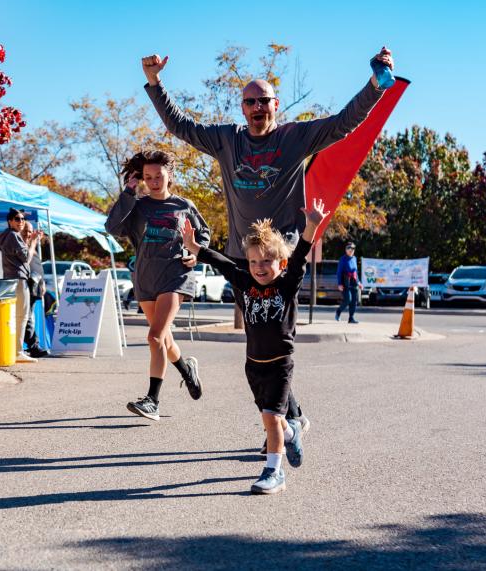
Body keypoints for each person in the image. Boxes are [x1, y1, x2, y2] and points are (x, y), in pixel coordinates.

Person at [141, 46, 396, 431]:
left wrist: (376, 85)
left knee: (276, 341)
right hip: (244, 259)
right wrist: (155, 82)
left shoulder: (295, 138)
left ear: (276, 105)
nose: (258, 107)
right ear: (242, 108)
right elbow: (180, 125)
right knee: (260, 342)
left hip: (280, 261)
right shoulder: (227, 140)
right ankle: (290, 415)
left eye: (264, 101)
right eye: (250, 102)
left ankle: (280, 425)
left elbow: (345, 122)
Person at [181, 198, 329, 494]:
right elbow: (221, 261)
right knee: (271, 418)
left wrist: (312, 225)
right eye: (253, 262)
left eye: (266, 261)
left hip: (280, 363)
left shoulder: (287, 284)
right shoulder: (244, 282)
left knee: (271, 419)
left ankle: (274, 472)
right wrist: (195, 247)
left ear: (280, 263)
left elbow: (300, 255)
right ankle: (292, 431)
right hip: (253, 365)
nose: (259, 268)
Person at [105, 150, 210, 421]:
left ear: (170, 175)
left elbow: (204, 235)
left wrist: (196, 252)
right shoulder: (137, 206)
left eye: (158, 176)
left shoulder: (184, 205)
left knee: (154, 337)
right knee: (163, 339)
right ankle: (187, 370)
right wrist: (128, 192)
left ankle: (153, 400)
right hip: (145, 278)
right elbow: (112, 226)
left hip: (175, 276)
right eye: (148, 177)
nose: (153, 181)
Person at [0, 208, 43, 364]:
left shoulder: (4, 235)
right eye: (17, 219)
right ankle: (17, 351)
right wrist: (34, 243)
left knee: (15, 316)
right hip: (18, 279)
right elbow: (25, 257)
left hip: (10, 279)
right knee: (22, 316)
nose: (21, 222)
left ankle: (15, 349)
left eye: (22, 219)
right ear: (10, 221)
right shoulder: (13, 235)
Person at [21, 221, 50, 358]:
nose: (28, 234)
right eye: (25, 231)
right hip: (24, 286)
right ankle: (33, 346)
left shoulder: (32, 246)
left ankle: (33, 345)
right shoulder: (22, 246)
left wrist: (42, 283)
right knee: (28, 317)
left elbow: (37, 265)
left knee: (30, 316)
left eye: (30, 231)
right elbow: (27, 260)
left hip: (35, 286)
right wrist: (32, 243)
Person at [336, 242, 362, 324]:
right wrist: (339, 284)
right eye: (349, 248)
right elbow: (339, 272)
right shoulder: (343, 259)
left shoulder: (354, 258)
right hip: (345, 282)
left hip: (354, 282)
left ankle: (351, 318)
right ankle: (338, 311)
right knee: (348, 299)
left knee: (354, 301)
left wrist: (359, 282)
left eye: (353, 248)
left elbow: (355, 272)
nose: (351, 250)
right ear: (346, 249)